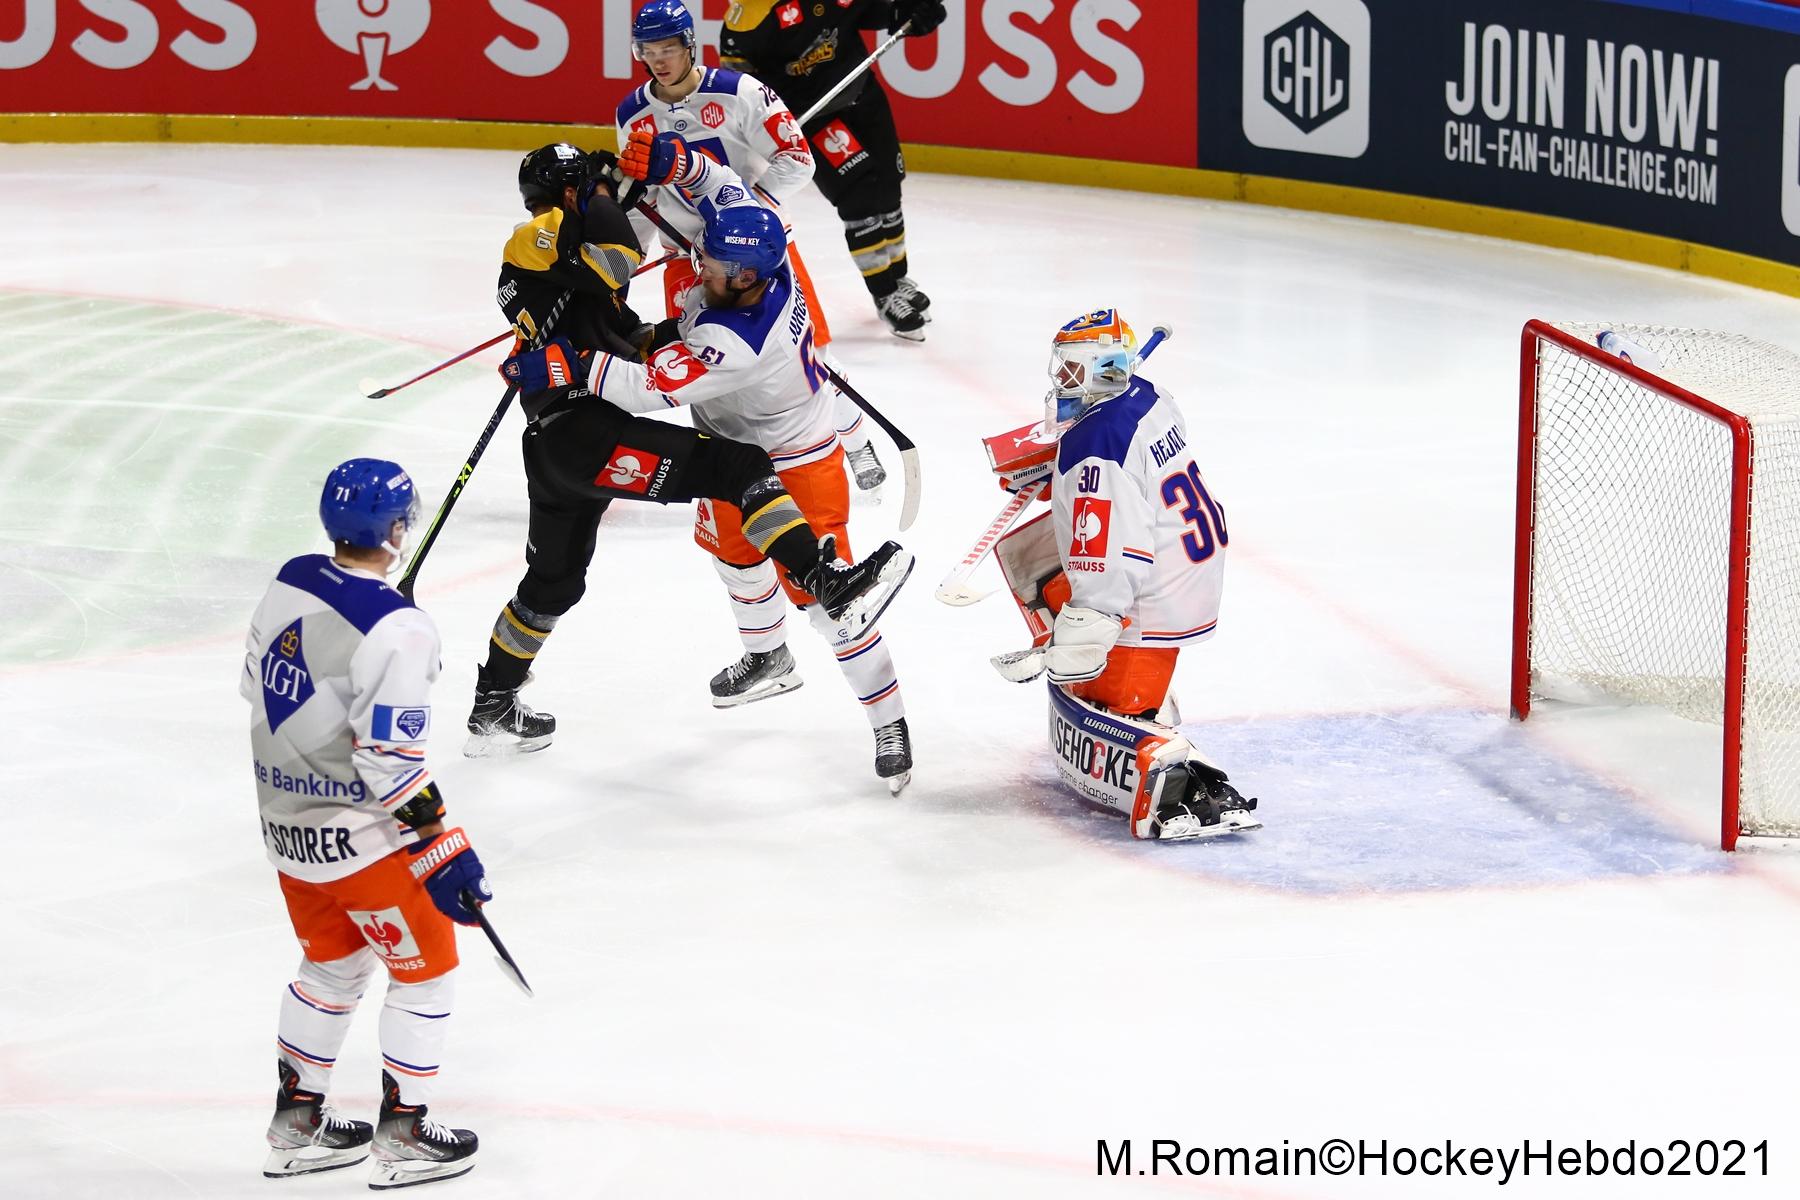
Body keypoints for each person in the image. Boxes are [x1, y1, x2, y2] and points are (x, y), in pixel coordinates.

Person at [512, 131, 915, 788]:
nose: (700, 270)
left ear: (748, 276)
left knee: (829, 604)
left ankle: (888, 720)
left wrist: (572, 364)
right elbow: (722, 189)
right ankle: (768, 658)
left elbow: (645, 388)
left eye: (715, 265)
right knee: (735, 560)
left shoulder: (737, 340)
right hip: (732, 454)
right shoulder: (751, 259)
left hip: (795, 464)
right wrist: (678, 163)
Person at [247, 459, 487, 1188]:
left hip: (287, 829)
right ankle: (406, 1134)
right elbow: (389, 759)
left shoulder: (291, 578)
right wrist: (442, 846)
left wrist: (374, 630)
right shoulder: (399, 630)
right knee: (425, 977)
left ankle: (298, 1127)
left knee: (332, 966)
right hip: (363, 843)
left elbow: (256, 683)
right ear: (396, 530)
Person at [987, 311, 1260, 839]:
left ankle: (1172, 772)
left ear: (1104, 368)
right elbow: (1131, 467)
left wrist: (1090, 623)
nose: (1061, 378)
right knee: (1032, 557)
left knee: (1110, 700)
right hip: (1186, 560)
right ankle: (1136, 693)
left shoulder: (1098, 445)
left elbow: (1113, 550)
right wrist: (1061, 463)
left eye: (1072, 368)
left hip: (1153, 590)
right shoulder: (1148, 396)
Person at [617, 0, 890, 491]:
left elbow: (797, 159)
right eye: (648, 51)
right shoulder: (632, 112)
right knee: (704, 371)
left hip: (760, 251)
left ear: (689, 45)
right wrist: (620, 263)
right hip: (686, 260)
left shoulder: (739, 91)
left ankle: (854, 438)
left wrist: (745, 214)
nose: (658, 60)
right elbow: (642, 196)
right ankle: (739, 474)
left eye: (668, 48)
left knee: (806, 354)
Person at [720, 0, 947, 341]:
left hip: (863, 96)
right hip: (815, 117)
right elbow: (742, 90)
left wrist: (909, 13)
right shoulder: (745, 21)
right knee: (860, 198)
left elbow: (872, 12)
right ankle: (884, 293)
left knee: (888, 187)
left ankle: (899, 278)